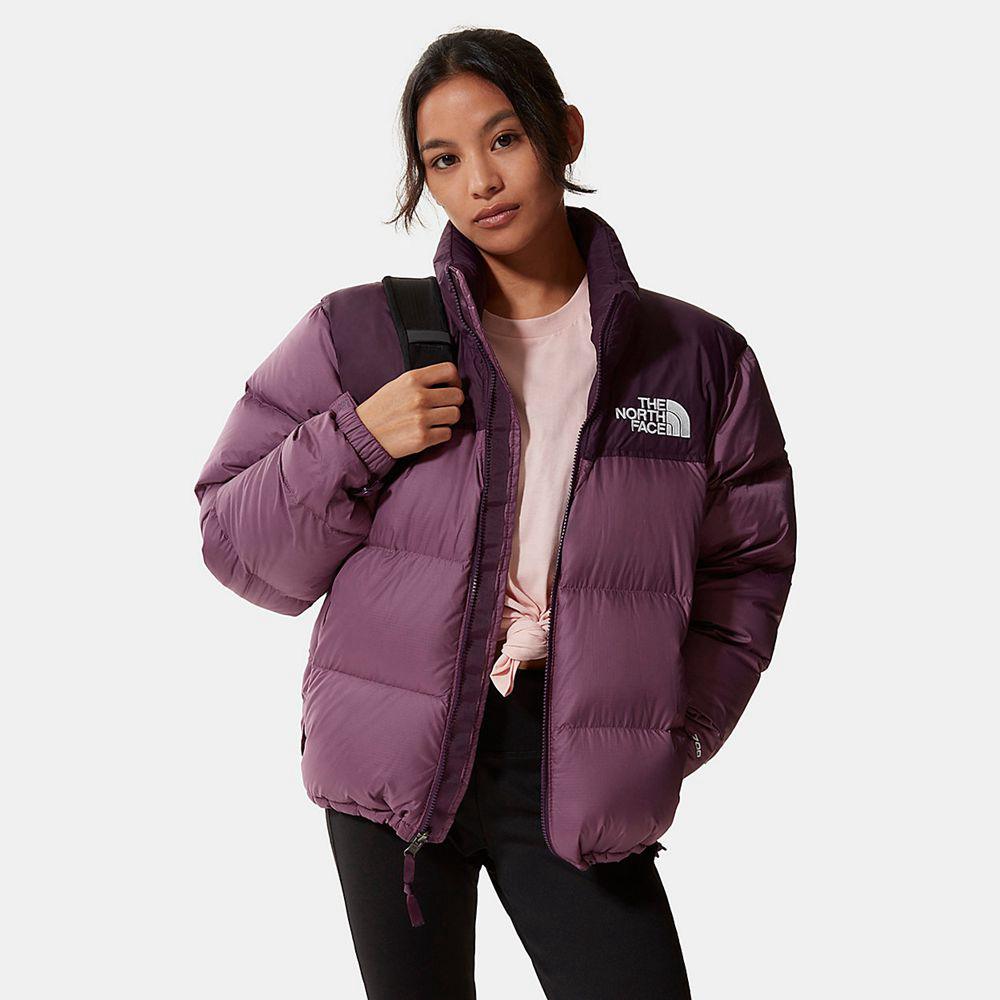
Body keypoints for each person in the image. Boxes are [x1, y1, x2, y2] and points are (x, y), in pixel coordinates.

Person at [193, 27, 796, 1000]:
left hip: (577, 755)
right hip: (394, 759)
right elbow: (236, 543)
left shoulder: (695, 359)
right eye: (443, 159)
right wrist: (357, 436)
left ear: (565, 133)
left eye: (504, 138)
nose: (480, 180)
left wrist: (667, 729)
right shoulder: (364, 333)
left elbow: (747, 568)